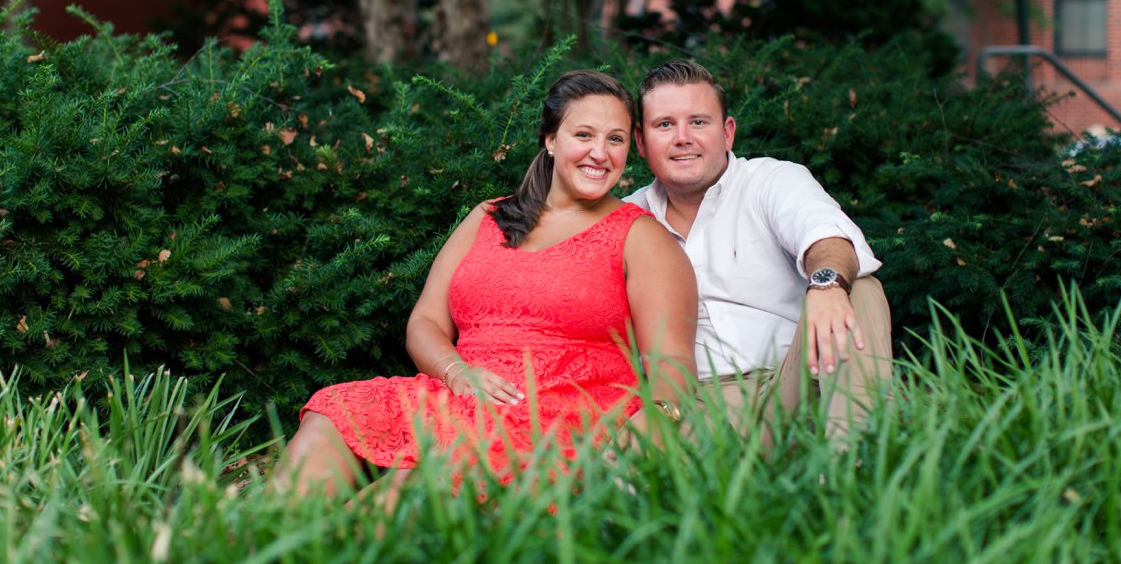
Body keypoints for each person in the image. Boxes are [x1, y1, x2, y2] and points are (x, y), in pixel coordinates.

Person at [273, 70, 698, 498]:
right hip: (458, 396)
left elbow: (672, 362)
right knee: (333, 415)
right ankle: (268, 524)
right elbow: (425, 322)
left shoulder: (640, 236)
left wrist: (651, 425)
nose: (600, 153)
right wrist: (457, 372)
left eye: (615, 139)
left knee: (406, 493)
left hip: (553, 415)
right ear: (551, 139)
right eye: (584, 134)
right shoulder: (489, 217)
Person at [623, 59, 892, 445]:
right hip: (694, 406)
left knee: (857, 288)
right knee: (620, 456)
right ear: (641, 141)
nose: (682, 137)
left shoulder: (771, 181)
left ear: (727, 132)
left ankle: (854, 462)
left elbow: (827, 238)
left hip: (793, 386)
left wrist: (827, 285)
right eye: (665, 124)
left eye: (698, 122)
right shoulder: (626, 219)